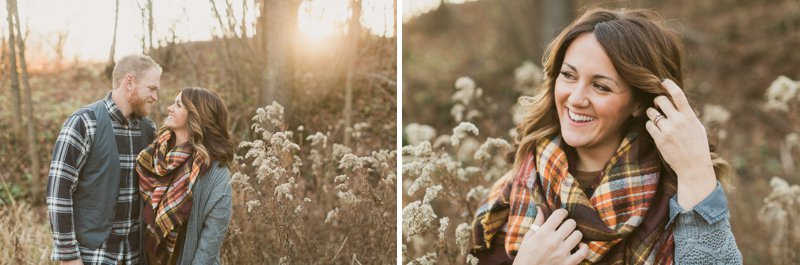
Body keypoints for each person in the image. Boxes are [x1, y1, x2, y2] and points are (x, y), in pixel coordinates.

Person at [470, 8, 743, 264]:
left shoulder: (679, 196)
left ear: (638, 103)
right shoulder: (512, 193)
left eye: (600, 86)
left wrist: (695, 172)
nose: (576, 99)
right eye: (568, 75)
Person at [46, 54, 162, 265]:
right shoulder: (84, 123)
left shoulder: (148, 129)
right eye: (152, 88)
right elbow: (58, 192)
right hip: (92, 256)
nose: (155, 97)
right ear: (129, 82)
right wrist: (69, 256)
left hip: (135, 255)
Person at [135, 87, 234, 265]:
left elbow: (211, 239)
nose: (169, 108)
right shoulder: (154, 154)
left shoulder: (216, 171)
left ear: (196, 115)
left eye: (178, 105)